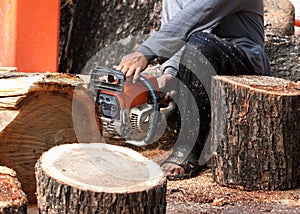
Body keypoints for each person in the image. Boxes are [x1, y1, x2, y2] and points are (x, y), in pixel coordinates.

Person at [115, 0, 271, 180]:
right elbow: (177, 30)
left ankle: (188, 148)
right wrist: (172, 73)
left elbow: (197, 15)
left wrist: (146, 51)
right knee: (197, 45)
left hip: (244, 56)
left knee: (199, 43)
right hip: (199, 53)